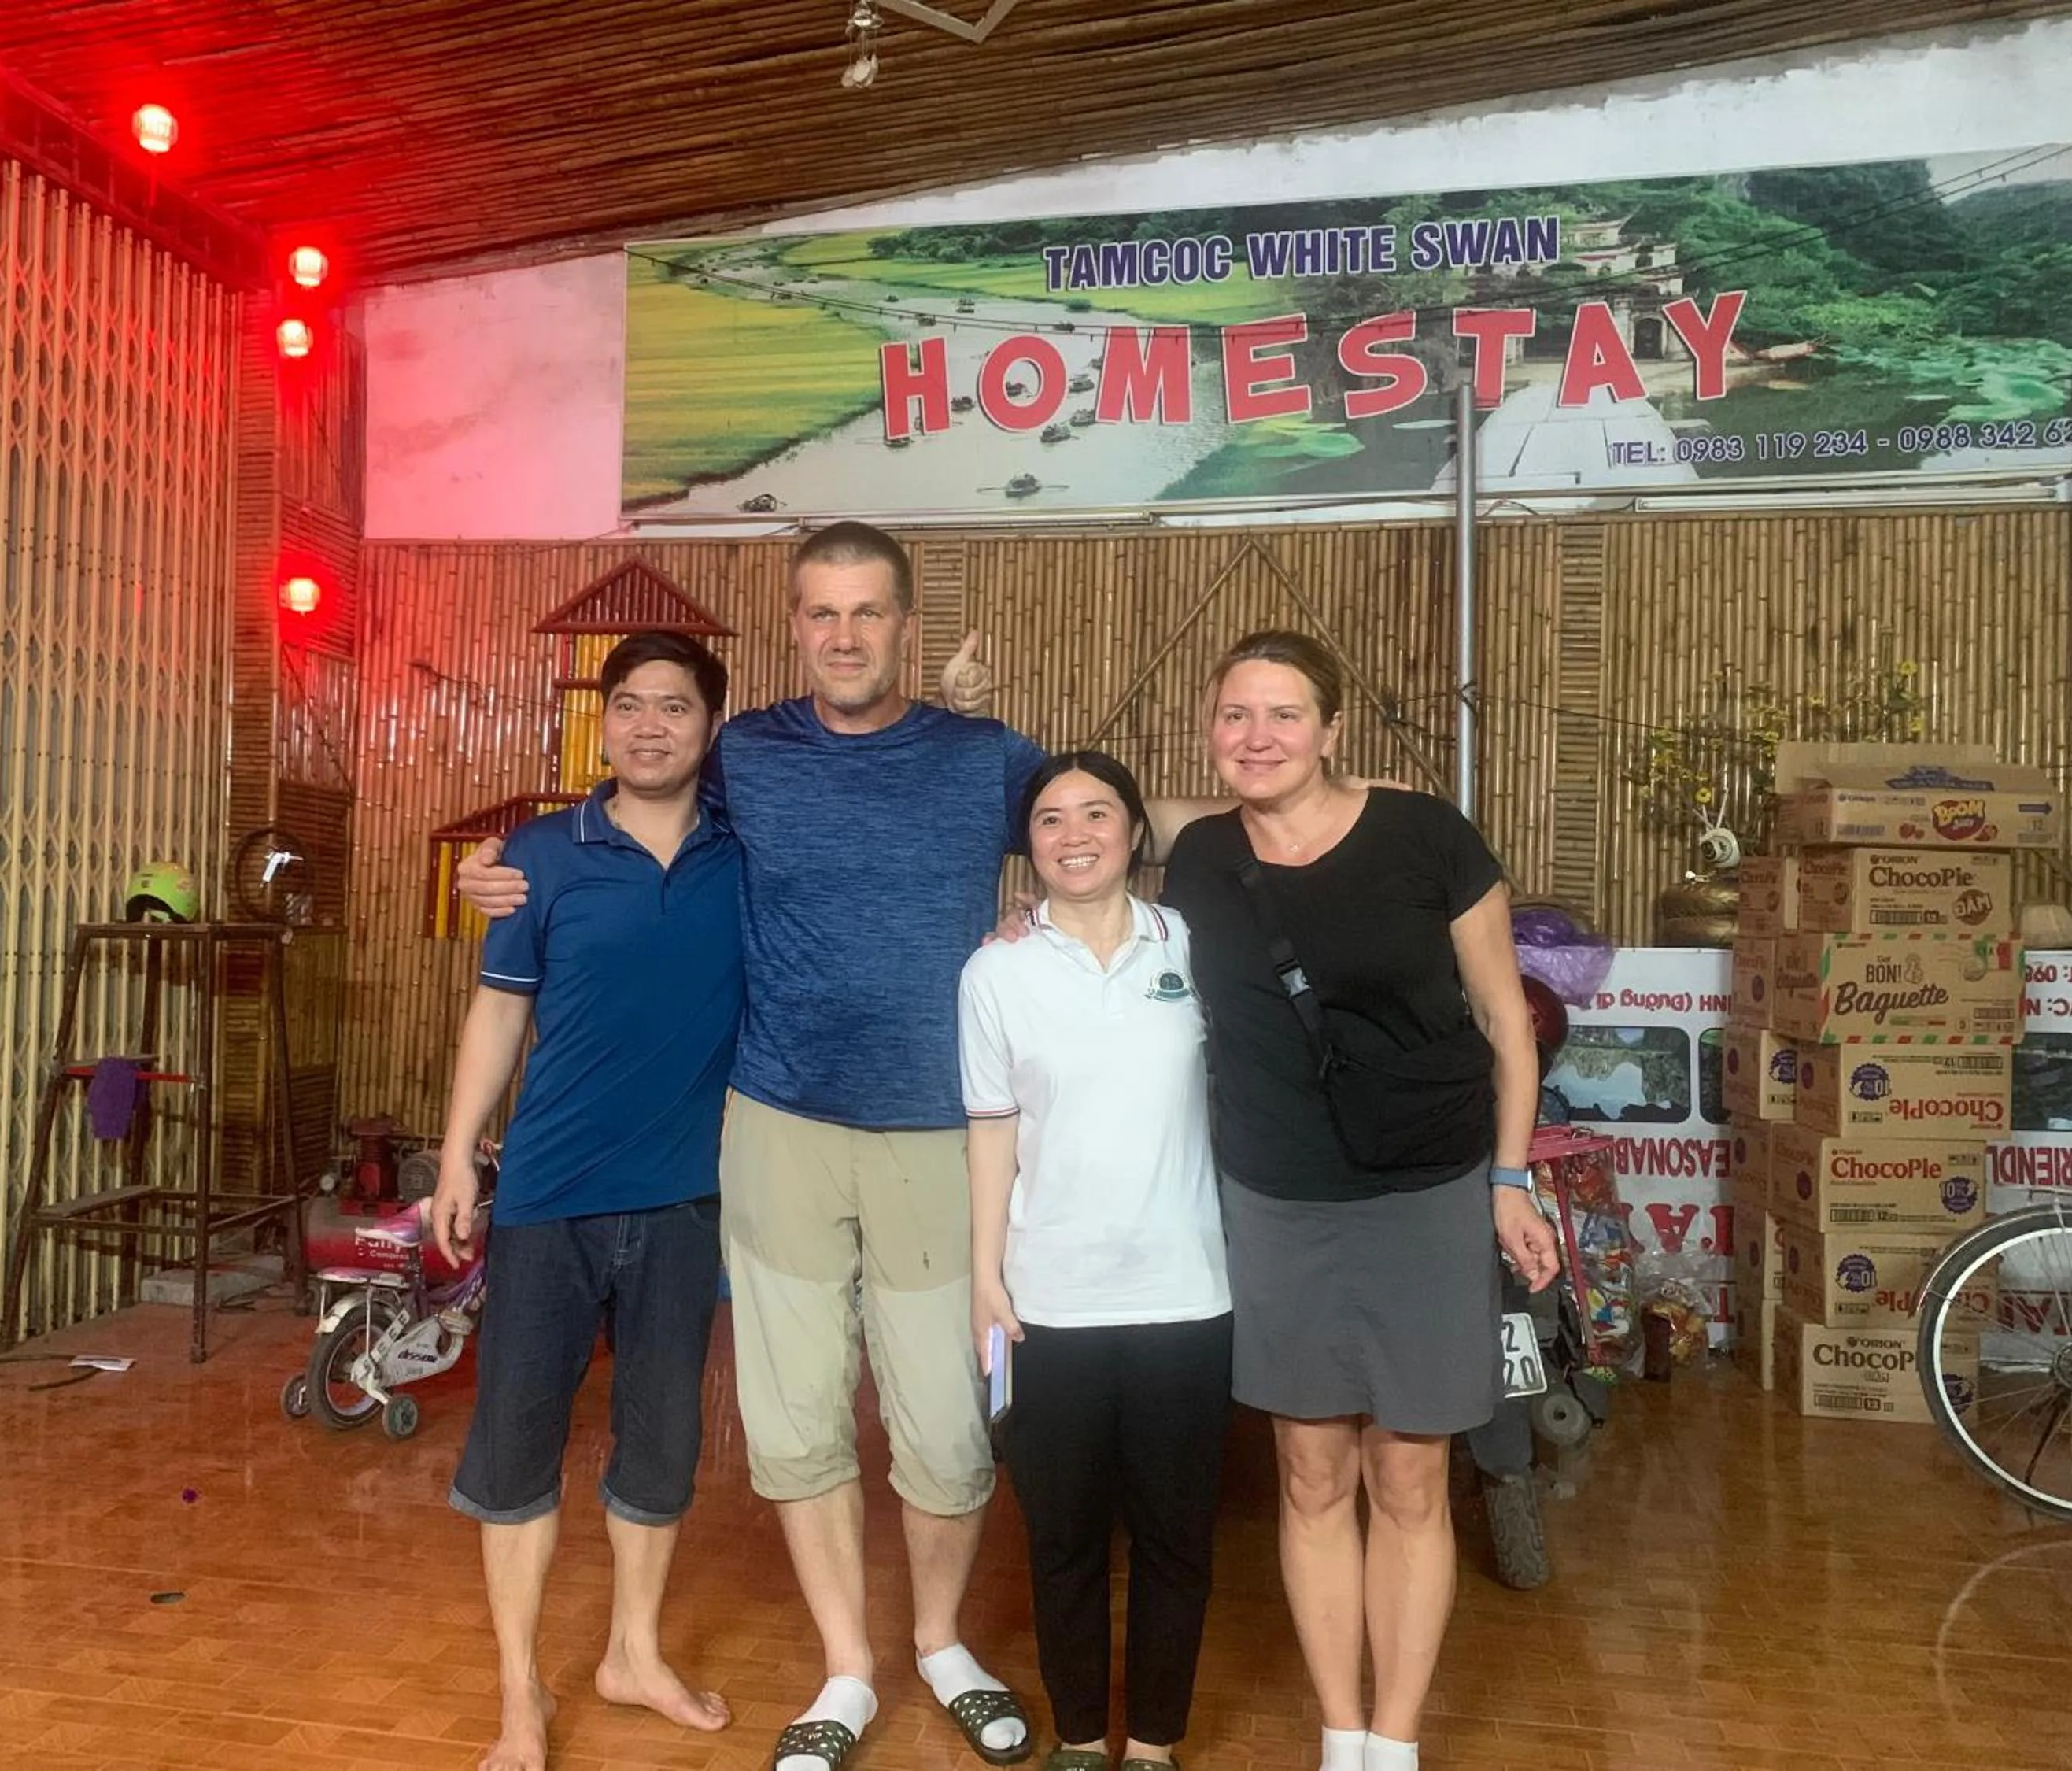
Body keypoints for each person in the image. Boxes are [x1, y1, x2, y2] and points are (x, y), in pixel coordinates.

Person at [456, 522, 1040, 1771]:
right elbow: (624, 795)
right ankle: (846, 1664)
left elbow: (1090, 835)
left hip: (936, 1131)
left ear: (906, 626)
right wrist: (502, 872)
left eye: (867, 612)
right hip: (778, 1127)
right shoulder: (751, 756)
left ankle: (941, 1642)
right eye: (821, 613)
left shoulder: (984, 756)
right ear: (795, 630)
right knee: (793, 1423)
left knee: (943, 1427)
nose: (843, 634)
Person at [1154, 630, 1560, 1771]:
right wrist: (1021, 924)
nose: (1258, 736)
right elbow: (1078, 838)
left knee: (1411, 1470)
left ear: (1333, 729)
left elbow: (1504, 1022)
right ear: (1209, 728)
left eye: (1285, 714)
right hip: (1276, 1195)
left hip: (1428, 1187)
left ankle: (1399, 1737)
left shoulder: (1424, 834)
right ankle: (1341, 1732)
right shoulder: (1195, 857)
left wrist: (1511, 1177)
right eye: (1235, 714)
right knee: (1310, 1468)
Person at [429, 631, 744, 1771]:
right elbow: (500, 1010)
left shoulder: (745, 848)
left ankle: (634, 1654)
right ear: (600, 723)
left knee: (659, 1444)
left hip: (685, 1199)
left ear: (713, 725)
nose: (648, 724)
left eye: (674, 705)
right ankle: (520, 1692)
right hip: (552, 1192)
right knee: (518, 1442)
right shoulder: (541, 853)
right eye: (627, 705)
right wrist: (459, 1154)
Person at [959, 751, 1232, 1771]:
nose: (1075, 834)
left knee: (1174, 1538)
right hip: (1051, 1301)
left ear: (1134, 832)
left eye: (1098, 813)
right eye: (1050, 818)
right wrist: (987, 1272)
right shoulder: (996, 968)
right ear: (1026, 845)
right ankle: (1080, 1736)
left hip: (1186, 1293)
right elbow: (991, 1131)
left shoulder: (1194, 945)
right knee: (1063, 1535)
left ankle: (1154, 1740)